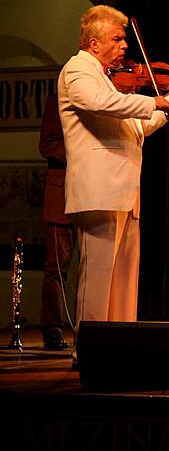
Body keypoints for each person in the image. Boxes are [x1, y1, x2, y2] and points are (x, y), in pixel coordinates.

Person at [57, 5, 169, 328]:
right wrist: (154, 101)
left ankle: (119, 343)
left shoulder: (108, 79)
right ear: (94, 44)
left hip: (124, 192)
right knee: (99, 279)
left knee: (123, 279)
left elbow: (138, 128)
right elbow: (100, 103)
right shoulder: (78, 71)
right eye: (117, 39)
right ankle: (89, 349)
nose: (124, 46)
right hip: (99, 190)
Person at [38, 95, 73, 350]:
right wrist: (84, 155)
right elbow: (48, 145)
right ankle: (52, 328)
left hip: (94, 191)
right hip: (61, 191)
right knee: (57, 266)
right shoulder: (57, 101)